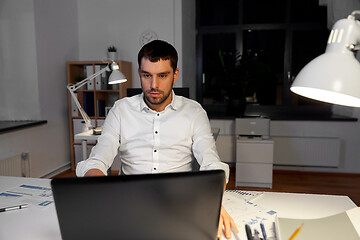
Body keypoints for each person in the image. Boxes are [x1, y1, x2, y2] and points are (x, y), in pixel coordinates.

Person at [76, 40, 239, 239]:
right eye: (147, 76)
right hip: (129, 206)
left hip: (183, 205)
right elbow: (97, 161)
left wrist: (211, 200)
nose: (154, 85)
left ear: (175, 75)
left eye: (162, 75)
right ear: (139, 74)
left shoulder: (194, 112)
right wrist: (102, 191)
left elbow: (212, 163)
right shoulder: (121, 110)